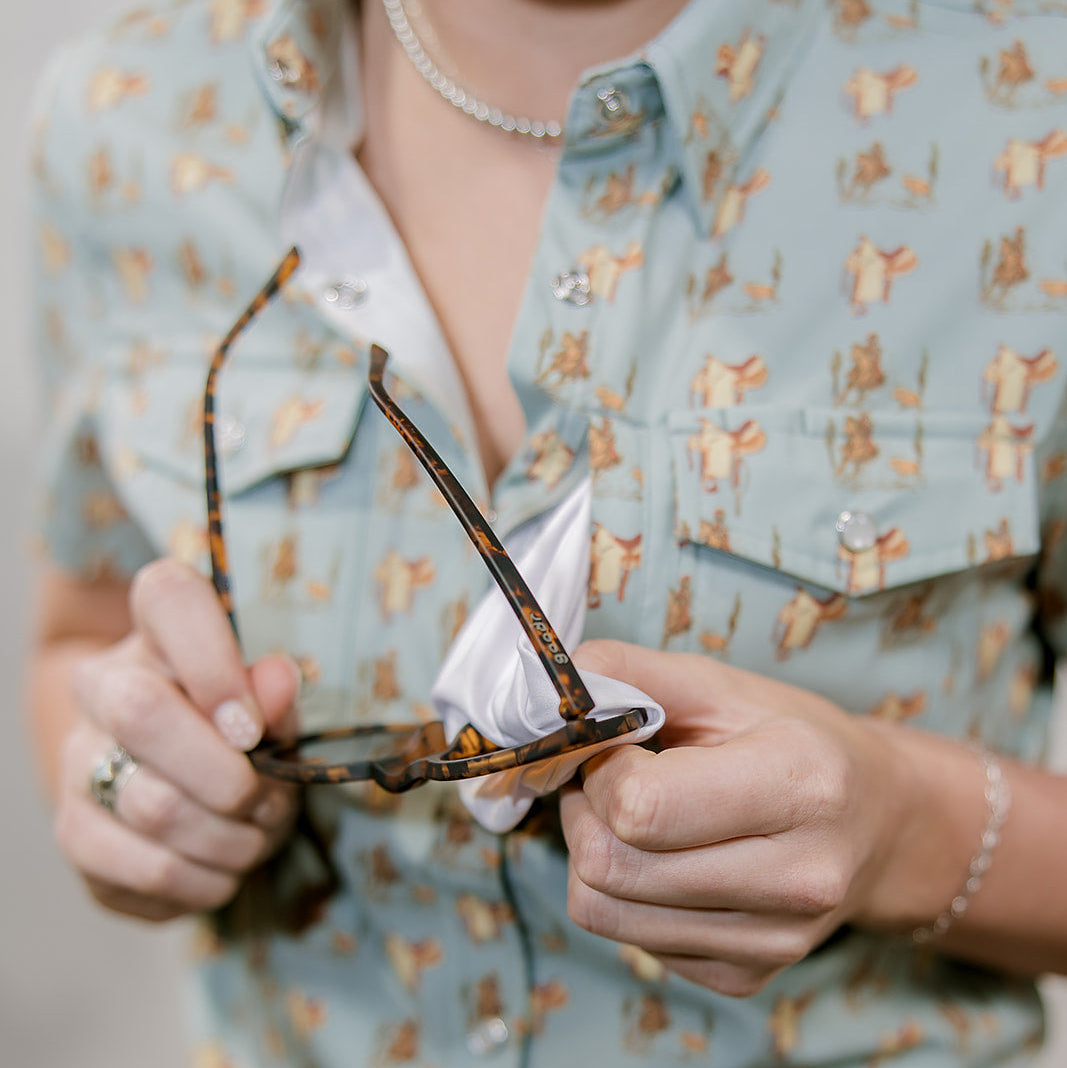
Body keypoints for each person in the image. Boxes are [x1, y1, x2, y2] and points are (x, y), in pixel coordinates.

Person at [25, 0, 1067, 1063]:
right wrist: (127, 783)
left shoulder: (1028, 118)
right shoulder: (128, 121)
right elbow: (85, 630)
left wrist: (902, 830)